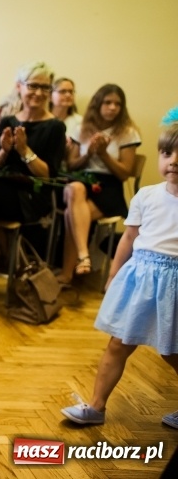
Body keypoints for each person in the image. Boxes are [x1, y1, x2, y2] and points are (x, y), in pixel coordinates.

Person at [61, 117, 178, 429]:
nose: (174, 161)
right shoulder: (147, 196)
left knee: (172, 351)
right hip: (141, 280)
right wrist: (114, 275)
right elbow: (128, 238)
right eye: (167, 154)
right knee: (118, 344)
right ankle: (96, 407)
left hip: (174, 285)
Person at [0, 61, 67, 254]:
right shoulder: (8, 120)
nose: (38, 93)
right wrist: (4, 151)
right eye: (33, 86)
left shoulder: (55, 127)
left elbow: (47, 175)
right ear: (19, 87)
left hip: (30, 198)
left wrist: (24, 151)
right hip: (0, 191)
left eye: (44, 87)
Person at [57, 84, 140, 283]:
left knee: (71, 214)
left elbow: (124, 173)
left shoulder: (127, 132)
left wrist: (103, 155)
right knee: (74, 187)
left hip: (109, 186)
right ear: (97, 104)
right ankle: (83, 256)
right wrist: (88, 154)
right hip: (83, 180)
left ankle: (69, 271)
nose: (112, 107)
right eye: (107, 102)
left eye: (117, 104)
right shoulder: (81, 128)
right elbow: (71, 165)